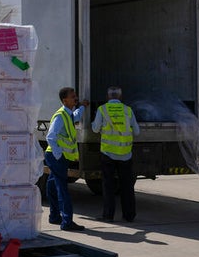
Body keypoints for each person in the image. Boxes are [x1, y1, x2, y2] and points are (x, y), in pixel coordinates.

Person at [92, 86, 141, 222]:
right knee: (127, 186)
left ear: (108, 97)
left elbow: (95, 129)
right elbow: (137, 131)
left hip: (108, 153)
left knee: (108, 186)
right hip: (125, 153)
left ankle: (108, 215)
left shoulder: (102, 109)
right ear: (120, 97)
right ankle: (129, 215)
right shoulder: (128, 110)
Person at [45, 86, 89, 232]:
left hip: (55, 156)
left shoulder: (68, 114)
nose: (75, 98)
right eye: (72, 97)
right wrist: (59, 155)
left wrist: (82, 107)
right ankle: (67, 222)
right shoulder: (60, 116)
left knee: (52, 185)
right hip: (56, 156)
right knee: (62, 189)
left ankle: (54, 216)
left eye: (75, 96)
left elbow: (75, 116)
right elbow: (50, 137)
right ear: (65, 100)